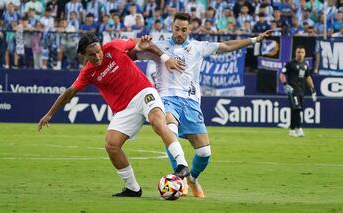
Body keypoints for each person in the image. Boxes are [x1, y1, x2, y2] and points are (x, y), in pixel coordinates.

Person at [133, 12, 272, 198]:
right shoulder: (159, 46)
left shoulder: (198, 47)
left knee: (205, 153)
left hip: (191, 103)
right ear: (171, 27)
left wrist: (255, 39)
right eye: (176, 29)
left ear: (189, 29)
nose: (179, 33)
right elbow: (132, 52)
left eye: (184, 29)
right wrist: (139, 46)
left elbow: (226, 46)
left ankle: (192, 179)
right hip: (167, 99)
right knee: (169, 129)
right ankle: (180, 179)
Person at [37, 33, 189, 197]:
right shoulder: (87, 73)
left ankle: (181, 164)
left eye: (98, 51)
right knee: (112, 145)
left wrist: (163, 56)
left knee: (157, 122)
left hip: (143, 91)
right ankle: (133, 188)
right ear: (83, 55)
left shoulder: (114, 46)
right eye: (92, 54)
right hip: (124, 109)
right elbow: (69, 93)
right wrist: (49, 114)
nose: (97, 55)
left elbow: (144, 44)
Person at [280, 45, 317, 137]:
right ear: (295, 53)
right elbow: (282, 75)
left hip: (301, 90)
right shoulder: (290, 64)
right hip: (292, 90)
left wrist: (312, 90)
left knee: (296, 110)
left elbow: (308, 77)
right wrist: (285, 85)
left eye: (302, 52)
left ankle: (292, 130)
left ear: (305, 54)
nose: (300, 54)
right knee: (296, 108)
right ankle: (299, 128)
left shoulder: (305, 65)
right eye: (298, 52)